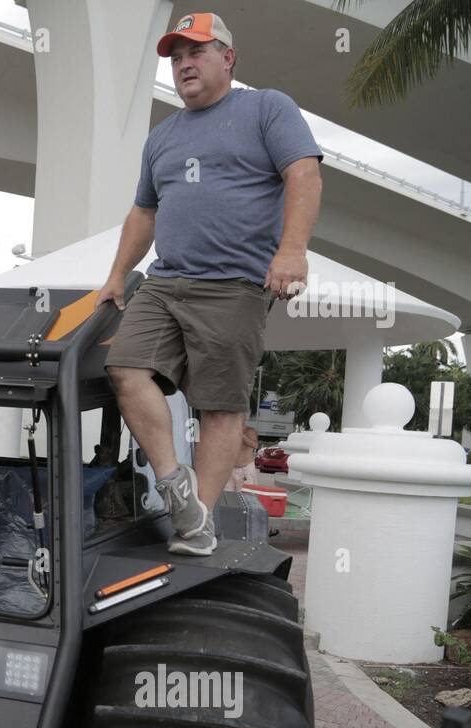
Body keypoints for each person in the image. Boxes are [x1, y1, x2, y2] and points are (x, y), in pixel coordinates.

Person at [98, 12, 322, 555]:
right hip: (165, 280)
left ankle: (196, 526)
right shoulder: (163, 135)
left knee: (220, 407)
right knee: (124, 368)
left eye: (195, 52)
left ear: (228, 57)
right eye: (175, 58)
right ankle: (177, 485)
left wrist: (292, 249)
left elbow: (304, 173)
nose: (183, 65)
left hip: (235, 284)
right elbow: (143, 213)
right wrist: (114, 276)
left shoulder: (267, 107)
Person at [224, 426, 261, 493]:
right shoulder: (228, 430)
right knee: (228, 493)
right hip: (230, 468)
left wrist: (242, 436)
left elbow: (255, 445)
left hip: (246, 467)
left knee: (247, 494)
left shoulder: (250, 430)